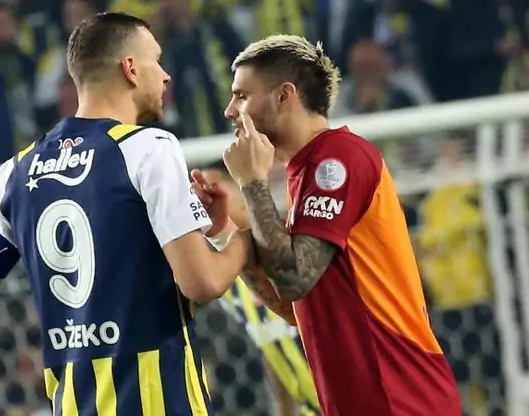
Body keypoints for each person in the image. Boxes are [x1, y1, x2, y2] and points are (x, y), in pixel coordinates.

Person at [0, 12, 253, 416]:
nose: (165, 76)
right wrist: (243, 240)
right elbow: (202, 283)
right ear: (130, 68)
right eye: (156, 61)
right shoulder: (149, 148)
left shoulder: (17, 171)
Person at [194, 35, 462, 415]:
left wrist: (251, 182)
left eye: (241, 96)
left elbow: (293, 277)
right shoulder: (306, 173)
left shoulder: (338, 159)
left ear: (284, 95)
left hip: (400, 399)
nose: (229, 111)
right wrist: (223, 231)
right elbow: (295, 306)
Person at [200, 162, 320, 416]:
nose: (205, 200)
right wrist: (284, 409)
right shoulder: (230, 285)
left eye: (214, 186)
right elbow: (273, 346)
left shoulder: (301, 247)